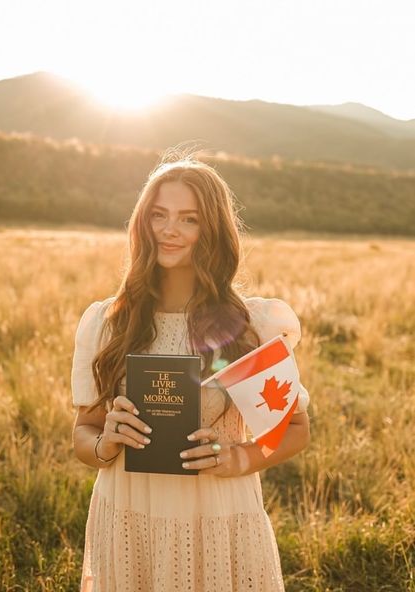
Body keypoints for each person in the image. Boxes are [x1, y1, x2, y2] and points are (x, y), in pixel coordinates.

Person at [71, 154, 311, 592]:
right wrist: (105, 441)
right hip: (128, 513)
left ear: (212, 230)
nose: (169, 229)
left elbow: (294, 428)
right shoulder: (109, 321)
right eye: (158, 215)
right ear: (141, 222)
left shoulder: (251, 325)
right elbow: (82, 434)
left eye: (188, 219)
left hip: (218, 518)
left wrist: (237, 457)